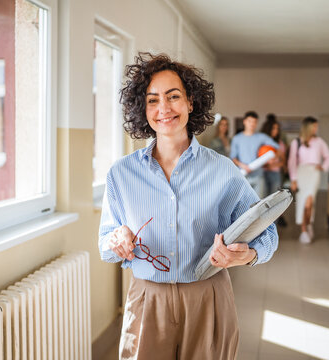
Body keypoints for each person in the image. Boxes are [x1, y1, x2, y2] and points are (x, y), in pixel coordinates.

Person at [98, 53, 278, 360]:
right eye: (153, 100)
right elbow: (105, 243)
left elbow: (267, 231)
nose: (164, 108)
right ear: (143, 109)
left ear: (191, 102)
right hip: (147, 298)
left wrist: (246, 255)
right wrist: (115, 239)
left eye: (173, 96)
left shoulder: (222, 170)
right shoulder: (121, 173)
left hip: (208, 295)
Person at [287, 116, 329, 244]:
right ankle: (304, 230)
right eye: (314, 126)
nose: (316, 128)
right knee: (302, 202)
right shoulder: (297, 142)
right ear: (308, 127)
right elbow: (292, 162)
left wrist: (323, 167)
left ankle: (308, 225)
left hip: (314, 173)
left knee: (309, 203)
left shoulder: (319, 141)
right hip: (301, 173)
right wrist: (293, 179)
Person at [230, 111, 279, 197]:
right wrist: (243, 166)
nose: (252, 124)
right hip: (243, 175)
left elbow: (277, 147)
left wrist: (272, 158)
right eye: (250, 121)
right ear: (244, 121)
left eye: (254, 122)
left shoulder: (261, 137)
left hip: (258, 176)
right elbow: (233, 158)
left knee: (258, 203)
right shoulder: (236, 138)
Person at [260, 113, 287, 226]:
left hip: (275, 174)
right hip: (262, 174)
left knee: (274, 201)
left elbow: (283, 161)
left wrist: (274, 165)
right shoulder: (261, 141)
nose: (276, 130)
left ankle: (272, 226)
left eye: (277, 128)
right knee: (262, 201)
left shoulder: (280, 143)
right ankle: (261, 226)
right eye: (274, 128)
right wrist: (266, 165)